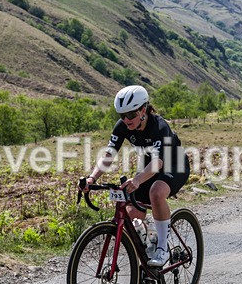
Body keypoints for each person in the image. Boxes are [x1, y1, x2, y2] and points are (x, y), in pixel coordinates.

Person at [81, 85, 190, 267]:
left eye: (131, 114)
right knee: (131, 217)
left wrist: (138, 180)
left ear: (144, 110)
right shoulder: (123, 126)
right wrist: (92, 178)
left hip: (173, 165)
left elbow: (159, 162)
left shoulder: (159, 126)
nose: (126, 119)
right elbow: (108, 155)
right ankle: (149, 251)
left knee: (156, 192)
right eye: (121, 115)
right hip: (148, 167)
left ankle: (163, 248)